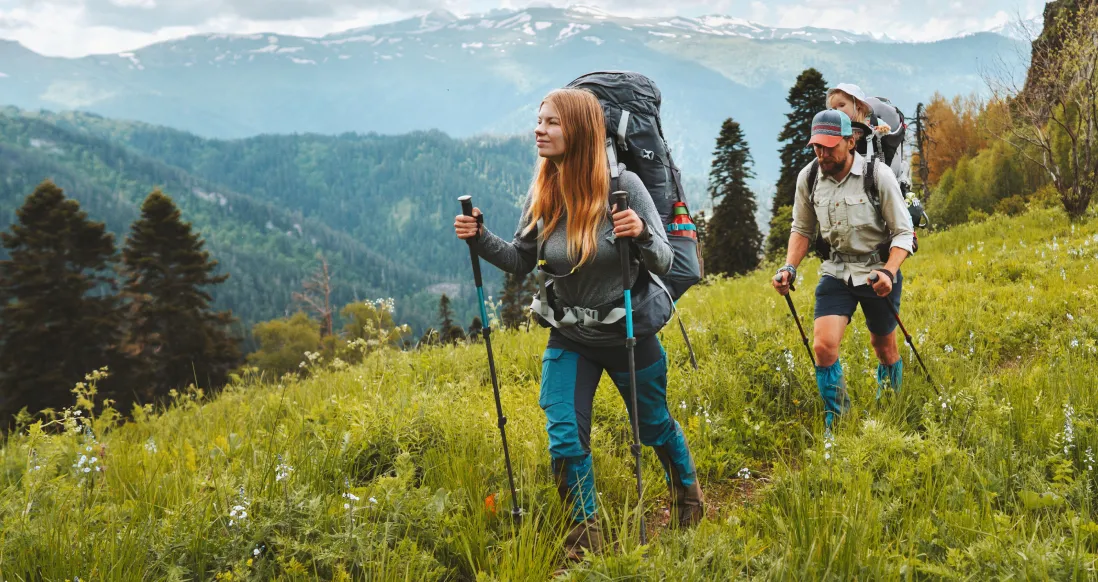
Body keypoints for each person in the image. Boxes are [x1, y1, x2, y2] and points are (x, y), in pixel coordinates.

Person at [454, 88, 704, 560]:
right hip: (569, 335)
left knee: (652, 427)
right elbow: (520, 260)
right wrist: (480, 237)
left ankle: (687, 499)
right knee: (565, 435)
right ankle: (583, 544)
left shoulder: (623, 185)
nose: (538, 129)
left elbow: (666, 259)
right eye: (538, 120)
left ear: (580, 131)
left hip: (628, 332)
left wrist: (642, 233)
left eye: (550, 122)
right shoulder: (544, 190)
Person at [771, 109, 915, 431]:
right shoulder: (808, 179)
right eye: (816, 147)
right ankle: (837, 421)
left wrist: (889, 273)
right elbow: (802, 229)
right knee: (823, 346)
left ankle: (891, 407)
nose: (821, 154)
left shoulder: (877, 176)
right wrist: (789, 268)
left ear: (851, 141)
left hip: (878, 272)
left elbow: (904, 234)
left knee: (884, 347)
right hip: (836, 270)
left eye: (829, 146)